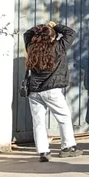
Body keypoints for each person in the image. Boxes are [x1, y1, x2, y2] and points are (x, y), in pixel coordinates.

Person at [23, 21, 80, 162]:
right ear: (53, 37)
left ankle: (43, 152)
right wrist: (55, 26)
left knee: (38, 122)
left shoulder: (31, 47)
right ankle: (68, 147)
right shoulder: (58, 47)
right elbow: (70, 33)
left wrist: (39, 28)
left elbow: (27, 34)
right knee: (64, 117)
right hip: (52, 90)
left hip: (34, 90)